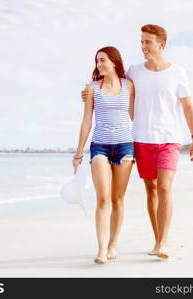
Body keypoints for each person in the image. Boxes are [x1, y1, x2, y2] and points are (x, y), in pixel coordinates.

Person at [82, 24, 193, 259]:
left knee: (165, 187)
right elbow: (111, 83)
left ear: (161, 44)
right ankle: (157, 240)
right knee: (151, 190)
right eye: (141, 42)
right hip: (141, 139)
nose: (143, 46)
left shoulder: (177, 72)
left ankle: (164, 242)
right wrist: (88, 94)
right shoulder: (134, 72)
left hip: (169, 138)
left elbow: (187, 105)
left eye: (147, 42)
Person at [73, 46, 135, 264]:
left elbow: (136, 115)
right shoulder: (91, 88)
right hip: (100, 146)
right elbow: (87, 120)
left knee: (118, 199)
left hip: (125, 146)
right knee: (103, 199)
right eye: (97, 61)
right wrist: (79, 153)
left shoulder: (129, 86)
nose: (99, 65)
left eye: (103, 60)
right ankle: (100, 249)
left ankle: (112, 245)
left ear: (114, 62)